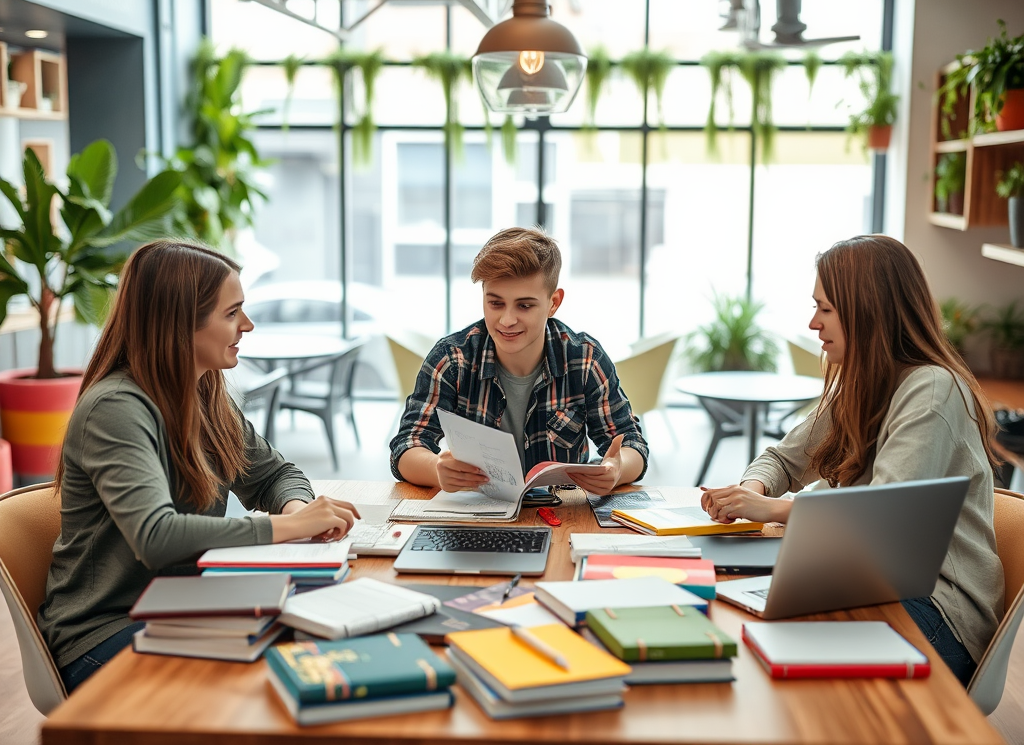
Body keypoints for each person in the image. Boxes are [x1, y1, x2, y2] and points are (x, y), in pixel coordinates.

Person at [37, 240, 360, 693]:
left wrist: (294, 509)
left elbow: (273, 474)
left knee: (316, 650)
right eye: (232, 314)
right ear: (179, 325)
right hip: (106, 632)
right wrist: (283, 529)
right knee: (265, 687)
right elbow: (158, 536)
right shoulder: (115, 409)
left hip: (184, 604)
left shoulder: (207, 396)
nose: (247, 325)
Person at [700, 234, 1003, 686]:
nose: (812, 323)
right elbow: (783, 458)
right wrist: (754, 489)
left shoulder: (932, 389)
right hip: (871, 578)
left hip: (937, 607)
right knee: (737, 612)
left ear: (868, 309)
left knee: (782, 650)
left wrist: (773, 510)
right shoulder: (861, 382)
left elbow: (881, 517)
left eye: (825, 309)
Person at [389, 226, 649, 495]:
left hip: (561, 516)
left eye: (524, 306)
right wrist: (436, 469)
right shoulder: (452, 359)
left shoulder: (585, 359)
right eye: (495, 303)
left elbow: (632, 443)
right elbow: (407, 446)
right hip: (476, 516)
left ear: (553, 303)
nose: (507, 320)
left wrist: (616, 470)